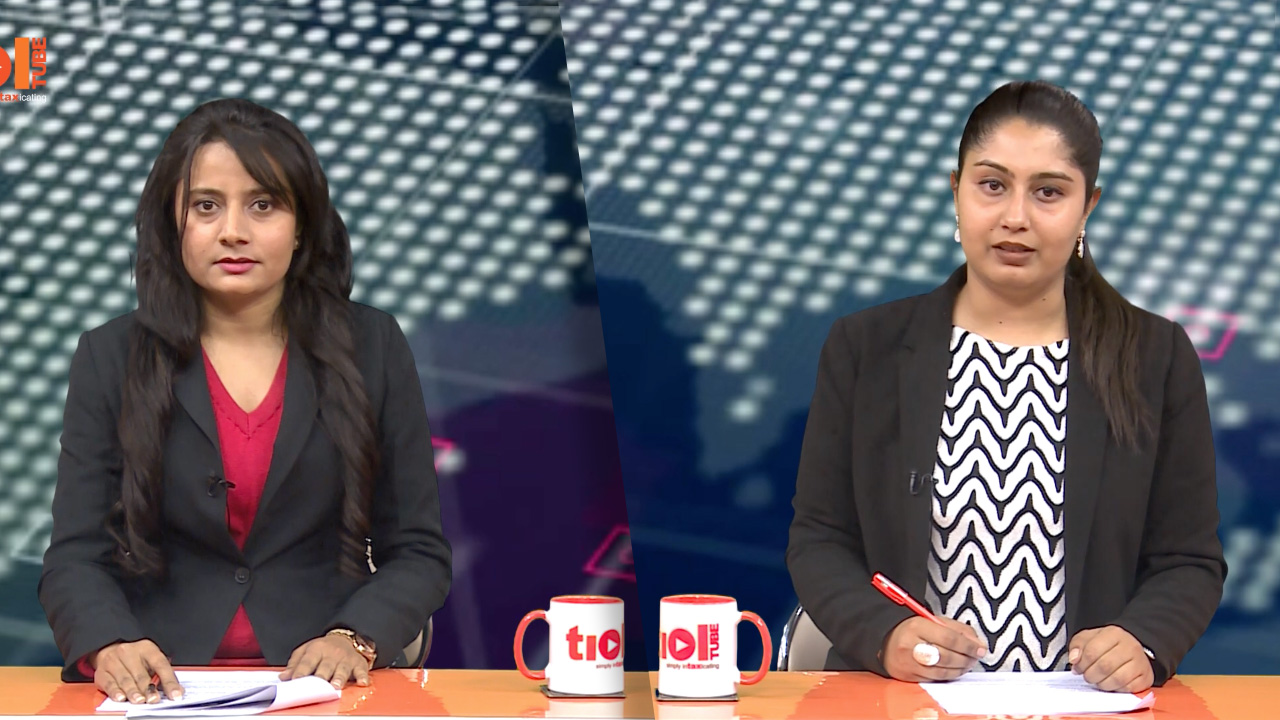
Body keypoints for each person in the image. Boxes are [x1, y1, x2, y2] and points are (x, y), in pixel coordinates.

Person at [786, 80, 1224, 693]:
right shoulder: (867, 347)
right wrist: (887, 635)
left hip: (1083, 703)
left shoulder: (1156, 356)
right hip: (906, 699)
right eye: (992, 185)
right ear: (956, 191)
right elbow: (820, 539)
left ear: (1087, 207)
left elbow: (1188, 560)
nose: (1015, 217)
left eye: (1049, 192)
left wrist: (1143, 642)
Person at [38, 98, 452, 703]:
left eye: (263, 204)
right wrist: (109, 643)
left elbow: (418, 551)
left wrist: (354, 638)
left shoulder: (374, 346)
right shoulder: (111, 356)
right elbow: (75, 556)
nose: (233, 230)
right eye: (206, 206)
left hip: (322, 686)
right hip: (163, 686)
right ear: (172, 223)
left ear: (302, 224)